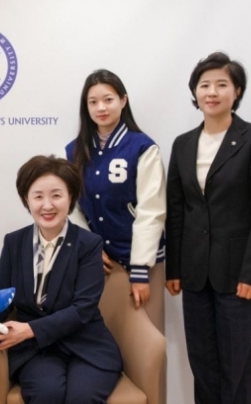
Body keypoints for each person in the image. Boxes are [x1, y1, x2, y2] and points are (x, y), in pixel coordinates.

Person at [166, 52, 251, 404]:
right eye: (204, 85)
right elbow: (177, 211)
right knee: (204, 367)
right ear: (195, 92)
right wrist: (174, 268)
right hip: (195, 275)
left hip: (239, 276)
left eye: (221, 84)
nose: (211, 92)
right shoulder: (183, 144)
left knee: (237, 369)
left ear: (237, 91)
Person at [0, 155, 122, 403]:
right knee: (46, 394)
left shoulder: (89, 244)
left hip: (87, 345)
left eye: (56, 195)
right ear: (26, 200)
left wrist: (29, 329)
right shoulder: (14, 243)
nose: (47, 205)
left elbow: (84, 309)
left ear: (70, 198)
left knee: (81, 397)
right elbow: (2, 300)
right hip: (37, 351)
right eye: (38, 196)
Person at [65, 69, 166, 331]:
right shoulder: (74, 150)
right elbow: (71, 206)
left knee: (147, 339)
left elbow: (151, 211)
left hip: (141, 262)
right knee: (104, 336)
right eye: (93, 102)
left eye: (108, 99)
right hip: (98, 263)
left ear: (123, 100)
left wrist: (140, 269)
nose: (101, 107)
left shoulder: (142, 147)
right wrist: (90, 246)